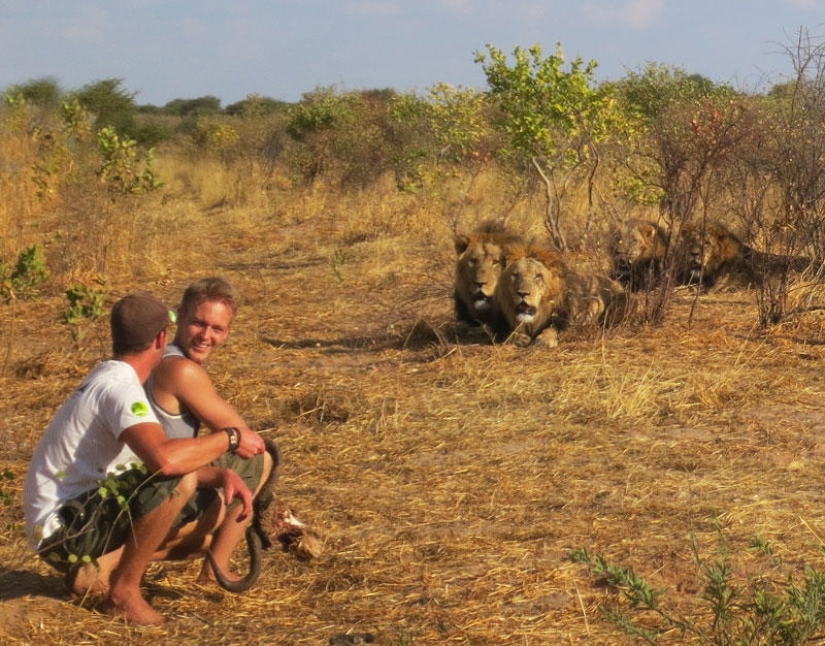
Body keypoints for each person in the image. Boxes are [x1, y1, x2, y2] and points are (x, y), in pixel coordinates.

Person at [23, 291, 269, 626]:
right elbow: (165, 463)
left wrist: (218, 475)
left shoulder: (111, 377)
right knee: (178, 481)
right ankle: (122, 593)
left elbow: (138, 464)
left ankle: (99, 569)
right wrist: (230, 438)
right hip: (67, 530)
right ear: (161, 338)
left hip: (68, 520)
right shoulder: (120, 389)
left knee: (195, 507)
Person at [145, 276, 273, 586]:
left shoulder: (155, 355)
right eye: (198, 324)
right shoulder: (182, 369)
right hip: (153, 488)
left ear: (229, 331)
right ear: (180, 316)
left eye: (217, 329)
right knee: (262, 459)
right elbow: (245, 438)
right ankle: (215, 570)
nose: (206, 336)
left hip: (146, 475)